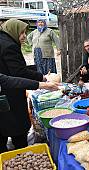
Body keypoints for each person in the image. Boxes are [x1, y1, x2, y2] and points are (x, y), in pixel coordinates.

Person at [0, 19, 50, 153]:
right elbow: (18, 72)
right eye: (21, 33)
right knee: (17, 130)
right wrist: (42, 80)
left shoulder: (3, 40)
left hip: (6, 92)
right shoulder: (9, 45)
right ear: (13, 30)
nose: (23, 36)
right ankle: (20, 154)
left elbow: (12, 67)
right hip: (10, 95)